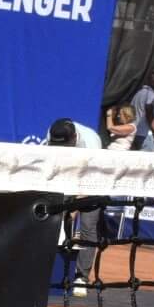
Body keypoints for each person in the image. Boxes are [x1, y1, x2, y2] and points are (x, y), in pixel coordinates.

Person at [46, 118, 105, 295]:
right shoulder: (52, 134)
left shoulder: (91, 143)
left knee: (88, 226)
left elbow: (93, 179)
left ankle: (82, 277)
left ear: (74, 138)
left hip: (92, 181)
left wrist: (76, 204)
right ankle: (50, 269)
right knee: (52, 222)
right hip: (66, 177)